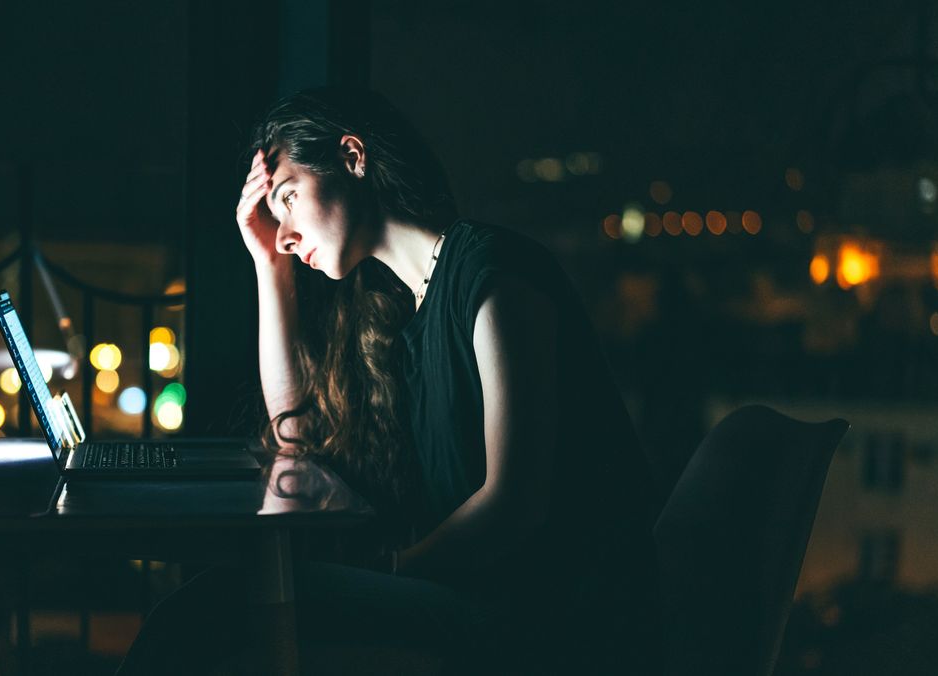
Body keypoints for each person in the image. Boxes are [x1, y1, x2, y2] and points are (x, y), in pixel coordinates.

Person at [118, 87, 661, 675]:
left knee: (216, 606)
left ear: (353, 157)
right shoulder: (401, 316)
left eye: (290, 199)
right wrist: (267, 267)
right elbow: (294, 436)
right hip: (476, 600)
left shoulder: (494, 274)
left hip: (548, 621)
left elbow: (514, 506)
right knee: (216, 605)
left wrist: (391, 570)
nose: (285, 235)